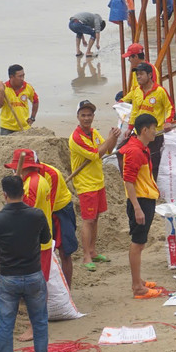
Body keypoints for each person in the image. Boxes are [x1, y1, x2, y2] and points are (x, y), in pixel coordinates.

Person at [0, 175, 52, 352]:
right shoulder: (36, 215)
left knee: (6, 324)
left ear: (4, 194)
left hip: (9, 277)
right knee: (39, 320)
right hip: (33, 273)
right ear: (23, 193)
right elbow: (46, 239)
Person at [5, 147, 76, 288]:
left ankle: (67, 288)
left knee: (65, 251)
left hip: (61, 209)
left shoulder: (50, 175)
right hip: (43, 210)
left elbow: (45, 208)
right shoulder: (28, 180)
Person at [119, 113, 166, 299]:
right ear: (145, 130)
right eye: (154, 128)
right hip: (140, 200)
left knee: (141, 242)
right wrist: (137, 208)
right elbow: (128, 181)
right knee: (137, 243)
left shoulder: (141, 148)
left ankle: (138, 281)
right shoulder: (135, 151)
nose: (156, 132)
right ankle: (137, 287)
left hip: (145, 198)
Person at [69, 100, 119, 272]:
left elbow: (108, 150)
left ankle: (93, 250)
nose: (87, 118)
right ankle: (86, 256)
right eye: (83, 115)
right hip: (85, 184)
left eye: (89, 115)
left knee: (96, 218)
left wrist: (115, 138)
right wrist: (109, 141)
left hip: (98, 181)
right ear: (78, 117)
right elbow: (95, 154)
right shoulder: (76, 137)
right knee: (88, 220)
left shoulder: (93, 132)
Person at [122, 61, 174, 175]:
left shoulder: (160, 91)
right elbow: (134, 111)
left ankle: (153, 188)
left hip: (155, 134)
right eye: (137, 74)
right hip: (139, 135)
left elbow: (170, 107)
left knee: (154, 163)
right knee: (137, 160)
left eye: (141, 74)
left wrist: (168, 122)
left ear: (150, 75)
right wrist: (130, 128)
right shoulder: (137, 92)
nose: (138, 77)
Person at [0, 64, 38, 135]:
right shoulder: (4, 87)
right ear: (11, 77)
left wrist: (32, 117)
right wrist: (2, 91)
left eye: (23, 75)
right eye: (20, 76)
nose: (22, 78)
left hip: (24, 127)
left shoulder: (28, 87)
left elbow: (35, 101)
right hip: (7, 128)